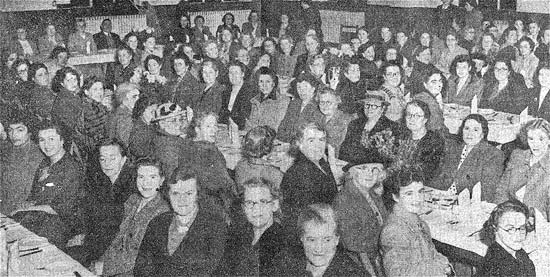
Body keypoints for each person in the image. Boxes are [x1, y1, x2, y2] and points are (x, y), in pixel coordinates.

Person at [134, 170, 227, 276]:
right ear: (168, 195)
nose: (182, 199)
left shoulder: (215, 226)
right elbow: (141, 267)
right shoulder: (158, 223)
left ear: (198, 194)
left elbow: (213, 270)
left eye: (189, 193)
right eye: (175, 193)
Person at [12, 122, 84, 249]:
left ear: (62, 141)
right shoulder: (45, 163)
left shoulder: (72, 168)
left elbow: (62, 208)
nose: (46, 145)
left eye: (51, 139)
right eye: (42, 140)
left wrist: (29, 209)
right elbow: (34, 195)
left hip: (61, 225)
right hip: (40, 219)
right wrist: (28, 204)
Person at [100, 158, 170, 276]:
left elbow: (141, 256)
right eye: (141, 177)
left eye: (152, 177)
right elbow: (118, 237)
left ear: (161, 181)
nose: (146, 183)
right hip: (114, 265)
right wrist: (102, 261)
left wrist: (106, 268)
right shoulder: (133, 199)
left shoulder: (163, 212)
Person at [380, 168, 452, 276]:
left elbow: (432, 253)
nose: (417, 198)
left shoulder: (420, 223)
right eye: (409, 194)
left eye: (420, 191)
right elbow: (397, 273)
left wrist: (445, 264)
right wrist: (438, 268)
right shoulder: (394, 231)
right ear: (395, 196)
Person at [267, 204, 368, 276]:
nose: (319, 249)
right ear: (302, 238)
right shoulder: (285, 261)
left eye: (326, 240)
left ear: (337, 239)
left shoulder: (354, 273)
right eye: (311, 240)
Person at [81, 139, 137, 266]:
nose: (107, 163)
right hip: (97, 244)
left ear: (123, 160)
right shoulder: (101, 182)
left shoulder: (132, 187)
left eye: (112, 158)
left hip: (117, 251)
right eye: (102, 159)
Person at [280, 122, 338, 239]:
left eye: (321, 140)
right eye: (311, 140)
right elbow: (306, 219)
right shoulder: (299, 173)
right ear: (300, 144)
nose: (318, 146)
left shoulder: (320, 162)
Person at [429, 114, 505, 202]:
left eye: (476, 130)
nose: (470, 133)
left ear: (483, 134)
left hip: (465, 202)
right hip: (441, 198)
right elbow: (439, 177)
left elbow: (487, 192)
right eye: (467, 128)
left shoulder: (493, 155)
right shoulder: (453, 149)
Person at [216, 178, 284, 276]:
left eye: (263, 201)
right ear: (243, 208)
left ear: (274, 205)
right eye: (249, 203)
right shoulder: (237, 236)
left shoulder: (282, 241)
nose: (256, 209)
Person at [333, 163, 388, 277]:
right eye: (363, 168)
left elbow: (385, 222)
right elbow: (350, 243)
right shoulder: (344, 200)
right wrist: (384, 244)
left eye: (374, 169)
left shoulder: (372, 193)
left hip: (378, 254)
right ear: (352, 173)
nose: (370, 173)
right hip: (359, 261)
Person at [179, 112, 236, 213]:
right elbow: (226, 185)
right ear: (197, 129)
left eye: (215, 126)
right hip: (214, 206)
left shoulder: (188, 145)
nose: (214, 130)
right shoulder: (209, 151)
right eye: (208, 126)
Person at [496, 119, 550, 220]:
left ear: (549, 140)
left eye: (541, 139)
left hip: (537, 223)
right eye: (531, 139)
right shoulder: (517, 155)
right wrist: (501, 214)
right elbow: (502, 189)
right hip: (509, 216)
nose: (535, 144)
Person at [339, 90, 401, 167]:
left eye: (375, 106)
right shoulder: (354, 124)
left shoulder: (392, 126)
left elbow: (389, 157)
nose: (369, 109)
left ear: (382, 108)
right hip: (352, 167)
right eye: (367, 105)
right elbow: (344, 149)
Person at [0, 111, 44, 215]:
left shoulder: (38, 155)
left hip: (23, 211)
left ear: (30, 132)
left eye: (20, 130)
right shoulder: (7, 150)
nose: (14, 135)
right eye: (10, 130)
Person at [477, 199, 536, 276]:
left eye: (522, 228)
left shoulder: (518, 253)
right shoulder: (494, 266)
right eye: (510, 229)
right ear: (495, 229)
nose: (518, 235)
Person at [401, 100, 445, 183]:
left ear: (425, 119)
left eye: (417, 116)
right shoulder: (402, 137)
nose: (411, 119)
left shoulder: (434, 141)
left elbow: (426, 174)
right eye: (409, 114)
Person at [277, 73, 323, 142]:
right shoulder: (294, 103)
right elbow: (283, 125)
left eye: (305, 87)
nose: (301, 90)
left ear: (313, 89)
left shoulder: (318, 107)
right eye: (299, 87)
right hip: (285, 142)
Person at [151, 102, 189, 179]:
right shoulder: (167, 146)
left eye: (180, 119)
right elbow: (173, 177)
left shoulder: (167, 138)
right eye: (173, 120)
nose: (179, 124)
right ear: (162, 124)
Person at [246, 67, 290, 131]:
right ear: (258, 84)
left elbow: (277, 127)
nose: (264, 85)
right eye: (261, 81)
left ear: (273, 83)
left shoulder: (282, 101)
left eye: (268, 82)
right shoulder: (254, 101)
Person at [219, 61, 255, 130]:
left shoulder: (250, 92)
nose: (233, 76)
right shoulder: (225, 93)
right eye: (231, 73)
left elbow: (244, 117)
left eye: (236, 73)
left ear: (242, 74)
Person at [318, 89, 353, 157]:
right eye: (322, 102)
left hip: (337, 158)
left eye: (328, 102)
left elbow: (333, 144)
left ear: (336, 104)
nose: (325, 106)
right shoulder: (320, 118)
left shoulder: (343, 120)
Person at [414, 69, 448, 134]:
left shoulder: (434, 96)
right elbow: (436, 126)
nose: (439, 85)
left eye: (440, 81)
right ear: (425, 85)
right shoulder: (425, 99)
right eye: (434, 82)